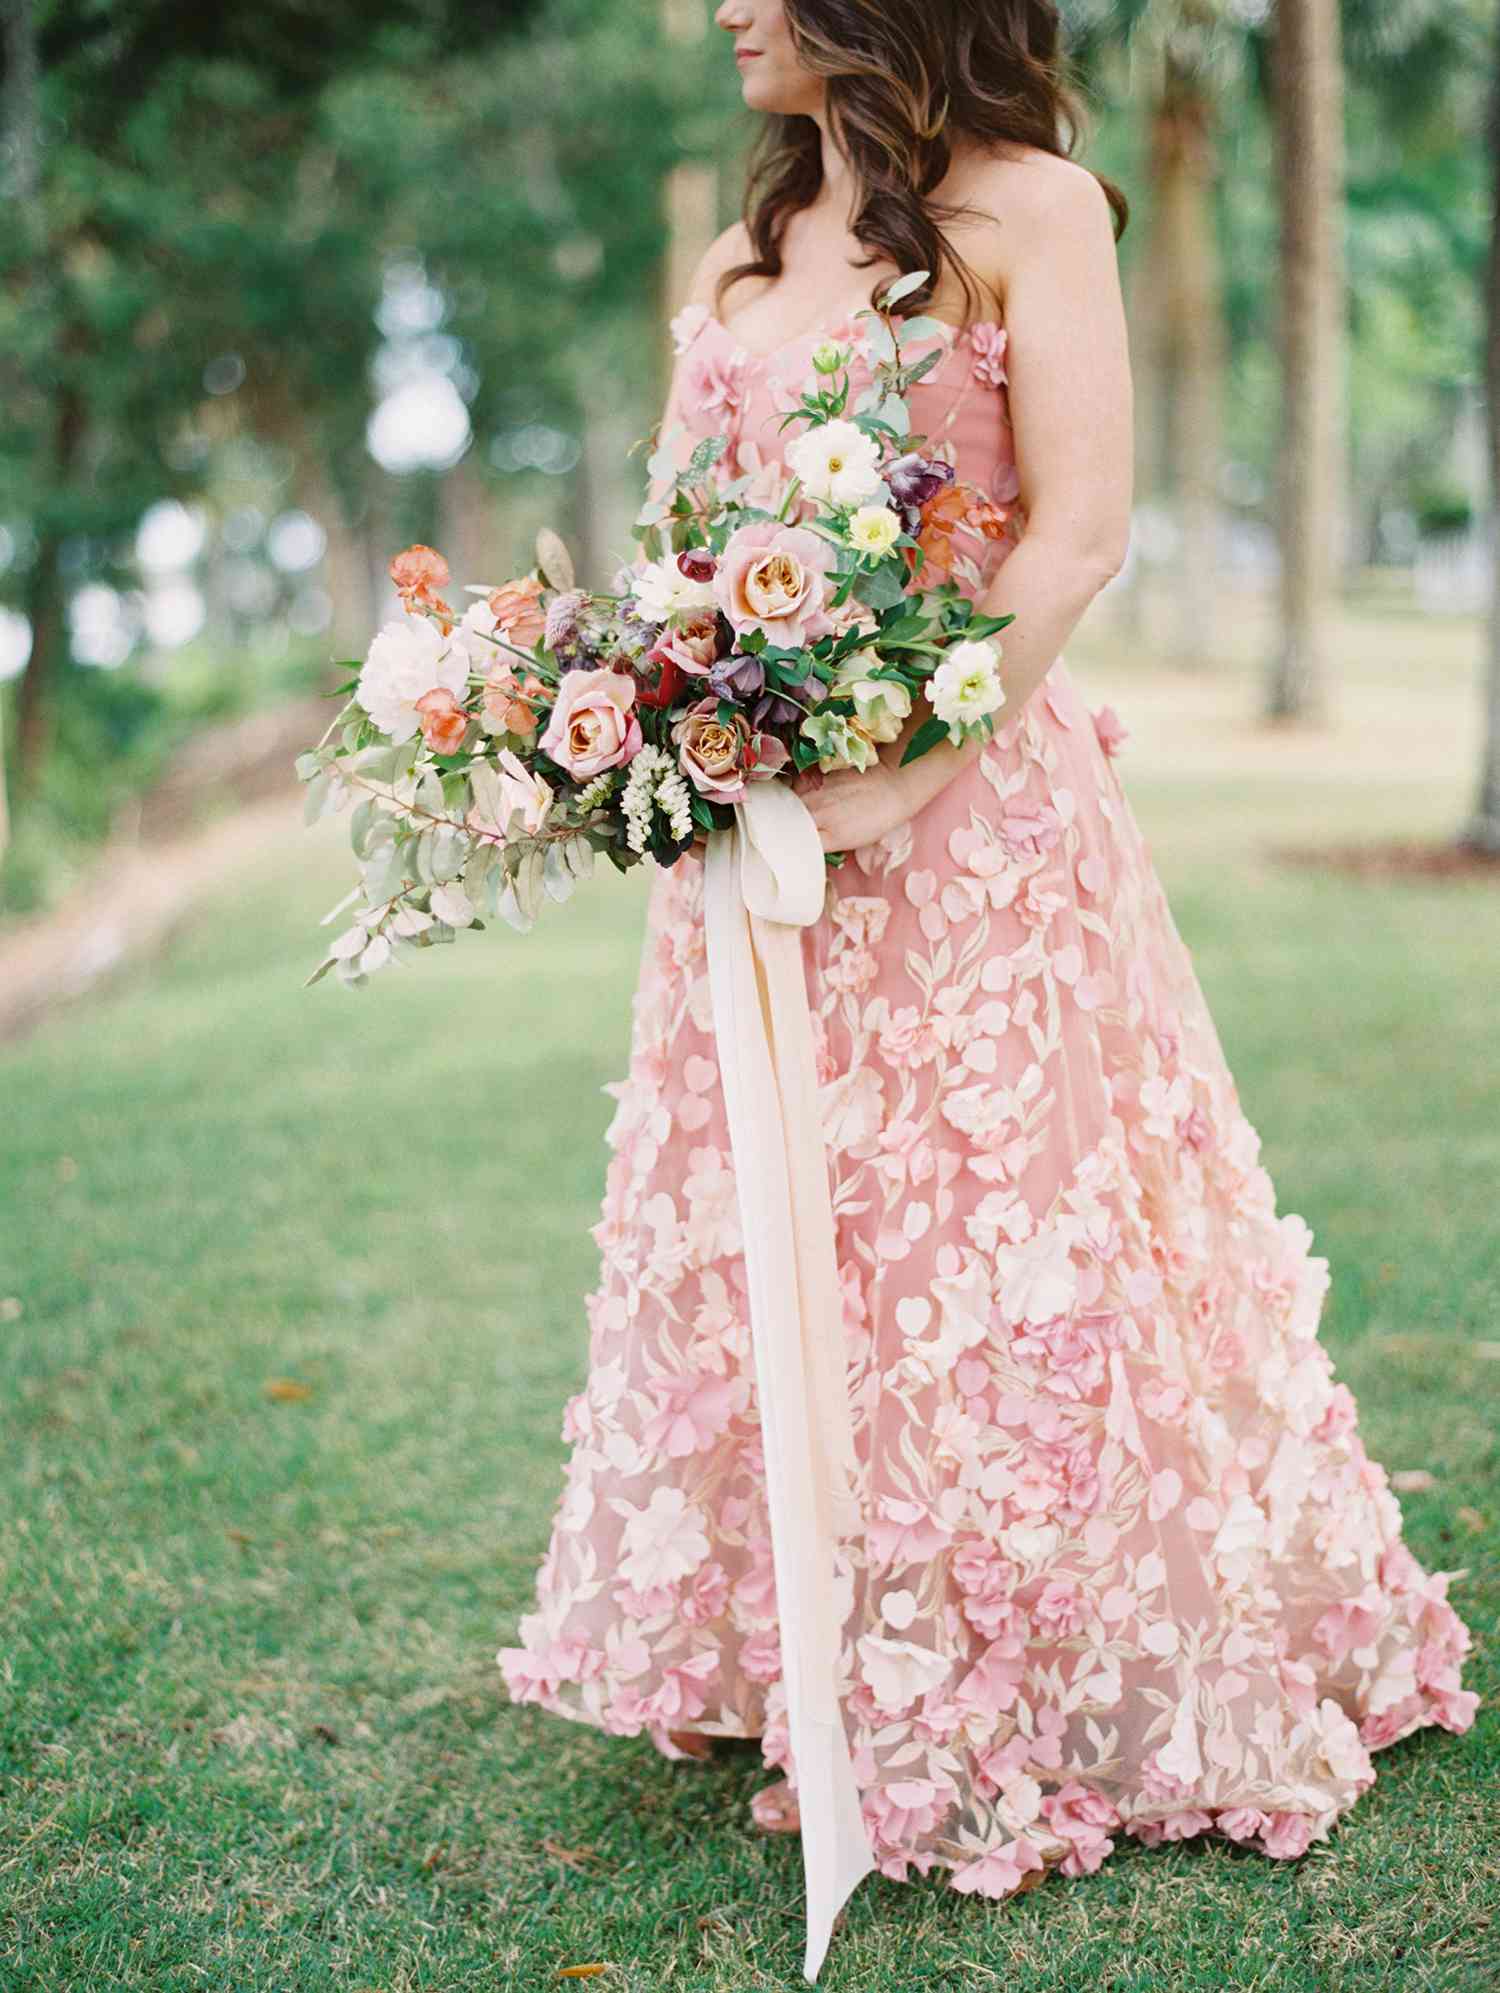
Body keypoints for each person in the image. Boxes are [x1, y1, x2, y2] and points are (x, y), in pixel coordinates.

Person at [499, 0, 1479, 1966]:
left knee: (996, 1252)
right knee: (793, 1233)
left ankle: (1015, 1658)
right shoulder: (738, 255)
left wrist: (897, 778)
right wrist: (655, 727)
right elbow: (679, 553)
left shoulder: (1038, 213)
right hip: (758, 845)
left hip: (961, 836)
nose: (719, 14)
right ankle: (807, 1635)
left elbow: (1078, 532)